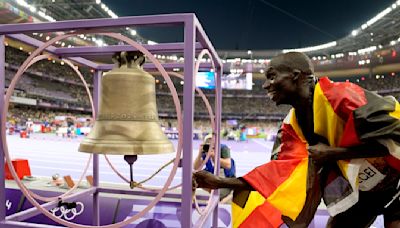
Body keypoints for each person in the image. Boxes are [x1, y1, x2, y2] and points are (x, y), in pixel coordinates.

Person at [193, 52, 400, 228]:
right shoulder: (292, 126)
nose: (265, 85)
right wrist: (221, 182)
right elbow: (277, 176)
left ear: (296, 76)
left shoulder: (342, 97)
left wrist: (334, 153)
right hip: (364, 194)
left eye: (272, 77)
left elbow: (395, 135)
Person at [193, 135, 236, 201]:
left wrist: (213, 156)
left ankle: (227, 194)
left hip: (226, 178)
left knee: (217, 197)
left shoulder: (223, 148)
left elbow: (228, 165)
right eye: (208, 142)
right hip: (212, 177)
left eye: (213, 142)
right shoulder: (205, 150)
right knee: (193, 178)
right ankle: (192, 198)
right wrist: (199, 153)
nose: (211, 145)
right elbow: (196, 167)